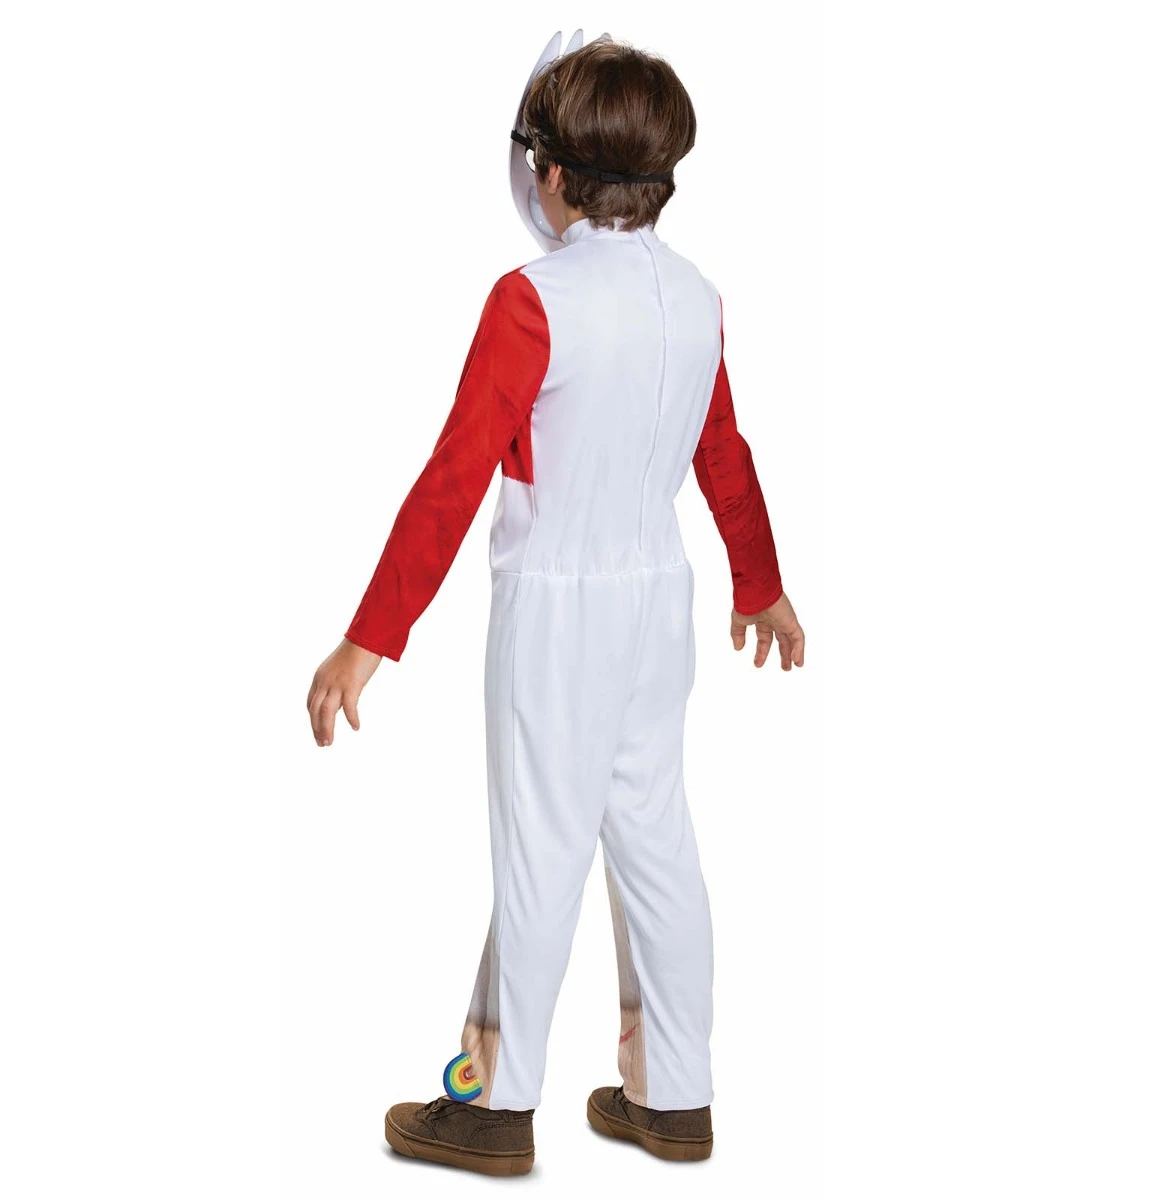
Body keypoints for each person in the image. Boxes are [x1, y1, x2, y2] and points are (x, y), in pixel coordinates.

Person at [306, 36, 805, 1177]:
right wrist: (761, 582)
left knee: (539, 851)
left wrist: (368, 639)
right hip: (658, 604)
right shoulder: (697, 296)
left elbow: (454, 476)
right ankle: (674, 1093)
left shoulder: (531, 300)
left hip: (556, 611)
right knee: (656, 844)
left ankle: (493, 1103)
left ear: (555, 176)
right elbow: (723, 453)